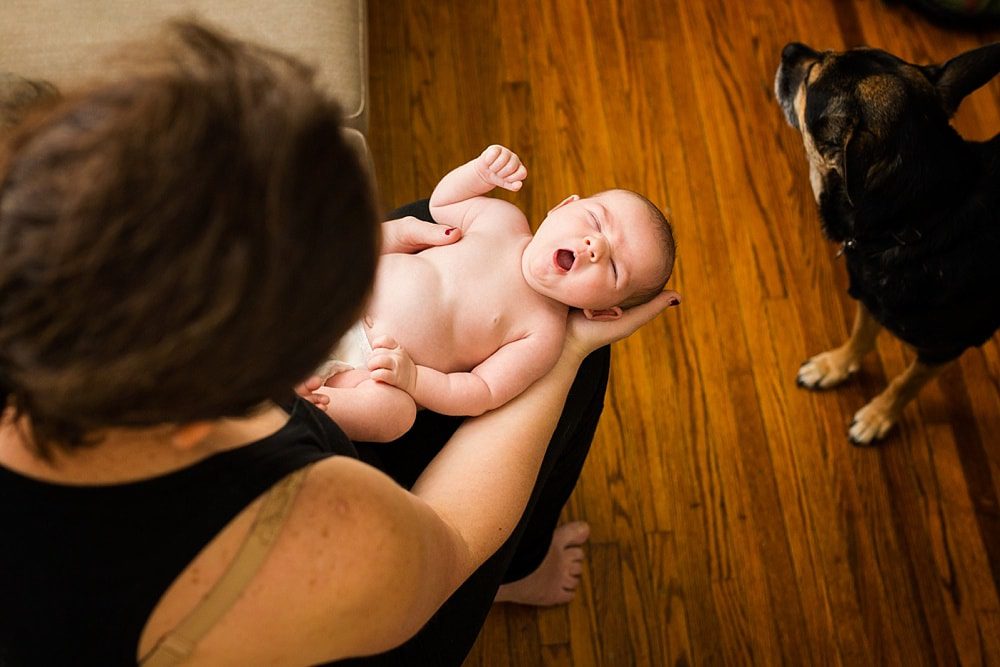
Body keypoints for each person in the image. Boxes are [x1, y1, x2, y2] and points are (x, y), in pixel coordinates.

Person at [0, 21, 680, 666]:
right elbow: (446, 543)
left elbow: (440, 241)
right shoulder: (294, 512)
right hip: (378, 599)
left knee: (416, 233)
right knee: (540, 374)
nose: (593, 244)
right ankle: (518, 567)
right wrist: (565, 353)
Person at [311, 144, 676, 443]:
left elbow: (481, 391)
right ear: (563, 207)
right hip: (340, 289)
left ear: (603, 312)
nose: (595, 245)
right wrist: (480, 174)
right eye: (596, 221)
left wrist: (413, 380)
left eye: (613, 268)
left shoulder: (543, 334)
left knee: (397, 415)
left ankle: (314, 405)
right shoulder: (503, 220)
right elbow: (442, 206)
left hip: (368, 369)